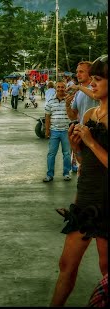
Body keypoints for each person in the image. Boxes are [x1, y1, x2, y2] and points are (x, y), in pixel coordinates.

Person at [50, 56, 108, 306]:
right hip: (86, 198)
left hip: (106, 202)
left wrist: (91, 142)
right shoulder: (91, 115)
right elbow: (86, 163)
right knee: (66, 263)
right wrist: (77, 146)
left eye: (97, 79)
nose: (92, 84)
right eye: (91, 79)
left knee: (106, 269)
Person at [68, 61, 98, 175]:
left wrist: (79, 87)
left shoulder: (95, 89)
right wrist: (67, 105)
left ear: (90, 74)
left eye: (81, 71)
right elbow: (73, 116)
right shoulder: (79, 92)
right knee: (83, 170)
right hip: (82, 137)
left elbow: (95, 95)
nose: (78, 74)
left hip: (96, 137)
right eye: (77, 72)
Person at [45, 81, 73, 182]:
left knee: (66, 153)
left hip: (66, 131)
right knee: (51, 154)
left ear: (65, 88)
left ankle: (66, 173)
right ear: (55, 88)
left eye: (62, 87)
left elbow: (73, 114)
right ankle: (49, 174)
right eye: (58, 87)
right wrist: (47, 130)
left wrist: (68, 104)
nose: (60, 89)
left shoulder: (70, 100)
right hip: (54, 131)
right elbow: (47, 116)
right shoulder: (51, 101)